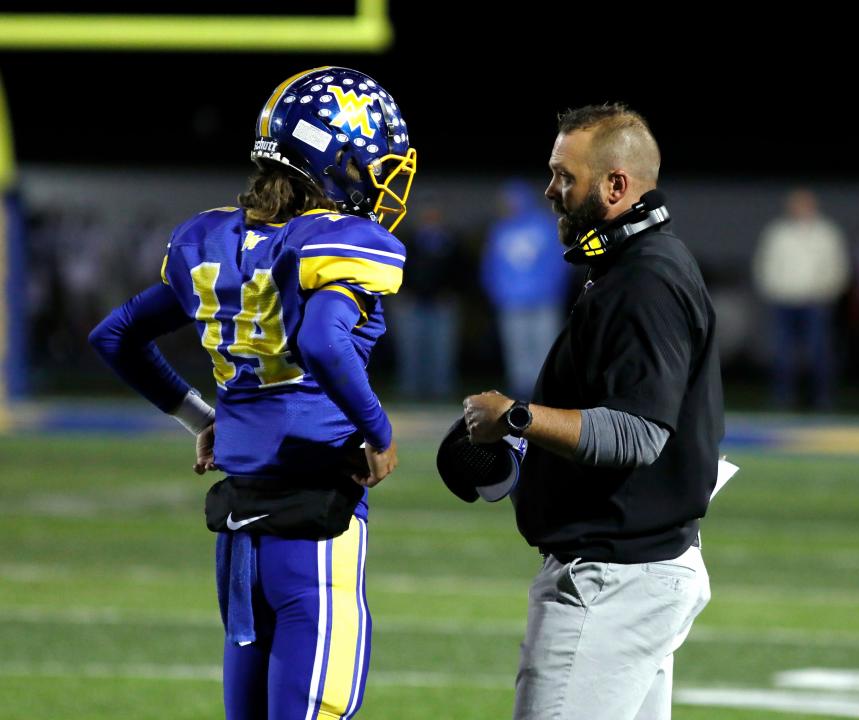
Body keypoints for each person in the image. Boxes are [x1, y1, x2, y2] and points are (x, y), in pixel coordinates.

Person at [89, 66, 416, 720]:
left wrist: (199, 417)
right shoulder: (338, 242)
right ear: (340, 159)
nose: (383, 179)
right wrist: (378, 433)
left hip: (239, 535)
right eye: (374, 162)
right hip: (315, 523)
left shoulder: (215, 238)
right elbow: (323, 341)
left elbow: (115, 334)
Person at [463, 104, 723, 719]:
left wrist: (517, 418)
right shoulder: (638, 264)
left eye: (563, 176)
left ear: (615, 185)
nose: (550, 190)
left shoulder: (645, 279)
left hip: (613, 582)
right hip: (638, 571)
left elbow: (638, 433)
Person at [753, 188, 850, 409]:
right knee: (783, 352)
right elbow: (764, 263)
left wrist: (828, 291)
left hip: (816, 300)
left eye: (804, 204)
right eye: (796, 204)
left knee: (820, 352)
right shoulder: (778, 232)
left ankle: (822, 400)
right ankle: (783, 398)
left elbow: (838, 265)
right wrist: (773, 289)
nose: (800, 209)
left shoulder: (827, 233)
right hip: (784, 299)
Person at [480, 179, 572, 397]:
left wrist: (553, 291)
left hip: (544, 301)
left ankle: (546, 393)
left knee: (545, 349)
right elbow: (490, 266)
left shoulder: (545, 225)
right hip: (511, 302)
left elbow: (560, 262)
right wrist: (497, 294)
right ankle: (522, 394)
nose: (506, 205)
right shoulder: (500, 229)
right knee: (517, 351)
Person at [390, 200, 464, 400]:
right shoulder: (409, 240)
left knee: (441, 349)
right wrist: (403, 293)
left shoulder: (451, 241)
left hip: (442, 304)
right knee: (411, 348)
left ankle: (441, 388)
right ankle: (411, 388)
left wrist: (452, 293)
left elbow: (462, 272)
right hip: (413, 303)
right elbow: (398, 268)